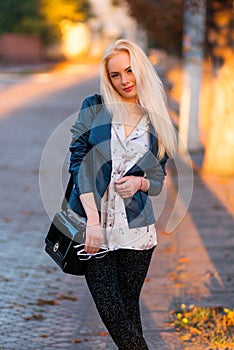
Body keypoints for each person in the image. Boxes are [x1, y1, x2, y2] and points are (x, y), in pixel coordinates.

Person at [68, 39, 177, 350]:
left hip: (137, 232)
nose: (125, 80)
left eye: (129, 70)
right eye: (116, 74)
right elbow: (77, 161)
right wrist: (91, 219)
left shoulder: (156, 116)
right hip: (94, 229)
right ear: (108, 78)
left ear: (140, 69)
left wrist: (139, 184)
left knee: (128, 313)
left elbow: (158, 178)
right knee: (115, 315)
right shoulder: (95, 105)